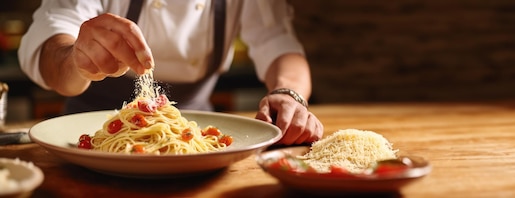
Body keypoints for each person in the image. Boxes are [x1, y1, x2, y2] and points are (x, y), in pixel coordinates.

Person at [18, 0, 322, 145]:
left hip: (194, 138)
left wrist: (287, 93)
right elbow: (51, 45)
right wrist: (77, 60)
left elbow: (279, 43)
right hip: (88, 139)